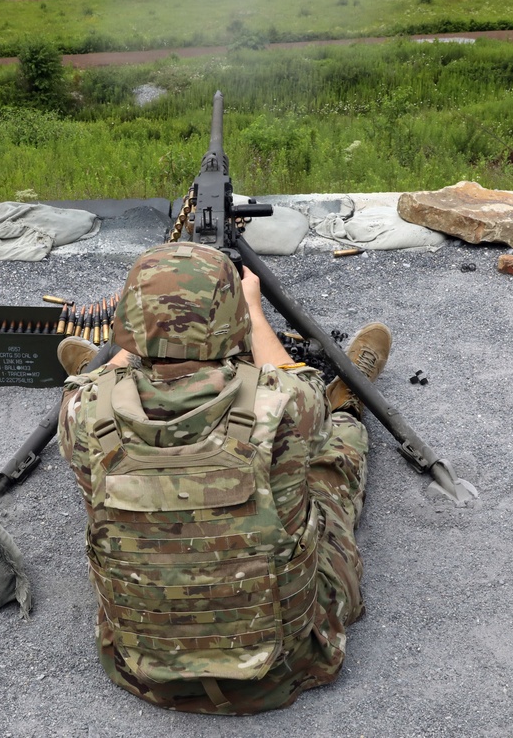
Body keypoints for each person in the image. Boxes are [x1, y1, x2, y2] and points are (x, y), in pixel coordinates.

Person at [57, 241, 392, 715]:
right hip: (287, 667)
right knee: (332, 454)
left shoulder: (80, 412)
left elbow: (87, 390)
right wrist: (253, 310)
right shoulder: (286, 403)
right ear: (228, 320)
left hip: (142, 670)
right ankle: (351, 400)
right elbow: (297, 381)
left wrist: (123, 357)